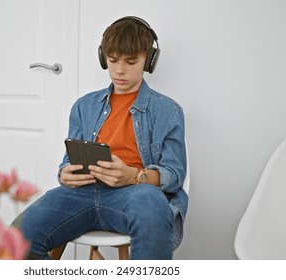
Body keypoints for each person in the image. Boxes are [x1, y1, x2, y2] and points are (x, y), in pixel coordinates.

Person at [12, 16, 188, 260]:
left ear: (148, 61)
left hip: (135, 193)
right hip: (82, 193)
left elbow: (175, 174)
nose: (119, 70)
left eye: (131, 61)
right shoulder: (83, 106)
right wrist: (65, 173)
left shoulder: (168, 111)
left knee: (153, 208)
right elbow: (67, 161)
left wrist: (135, 176)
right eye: (112, 60)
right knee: (17, 238)